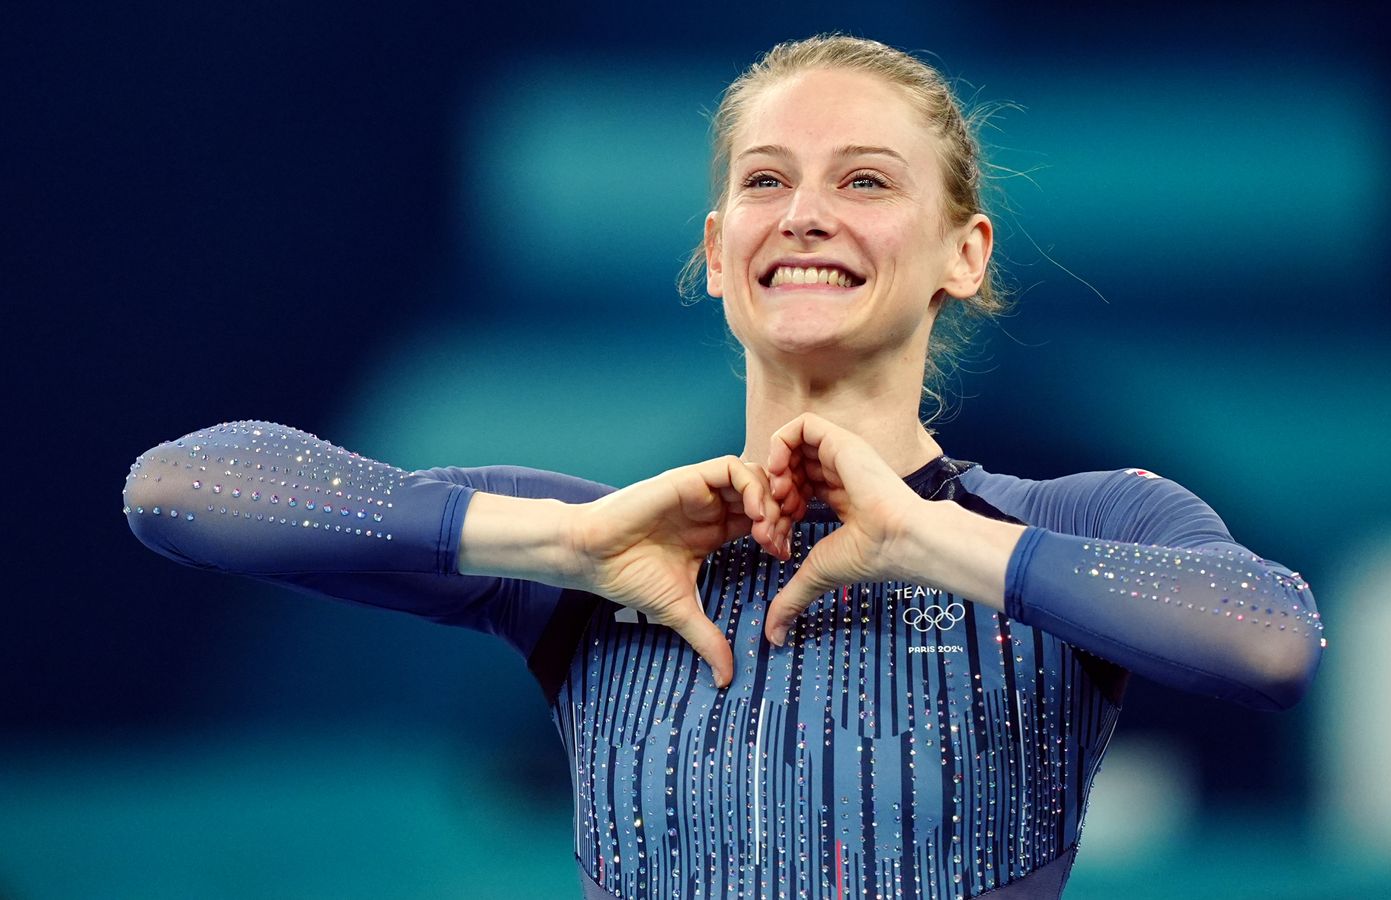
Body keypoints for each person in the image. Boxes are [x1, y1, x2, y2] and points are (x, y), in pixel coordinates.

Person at [124, 35, 1324, 899]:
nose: (803, 213)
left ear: (964, 253)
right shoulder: (593, 551)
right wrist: (564, 545)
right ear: (714, 251)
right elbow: (182, 492)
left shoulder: (1080, 516)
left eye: (863, 179)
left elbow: (1270, 641)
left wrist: (923, 535)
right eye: (764, 181)